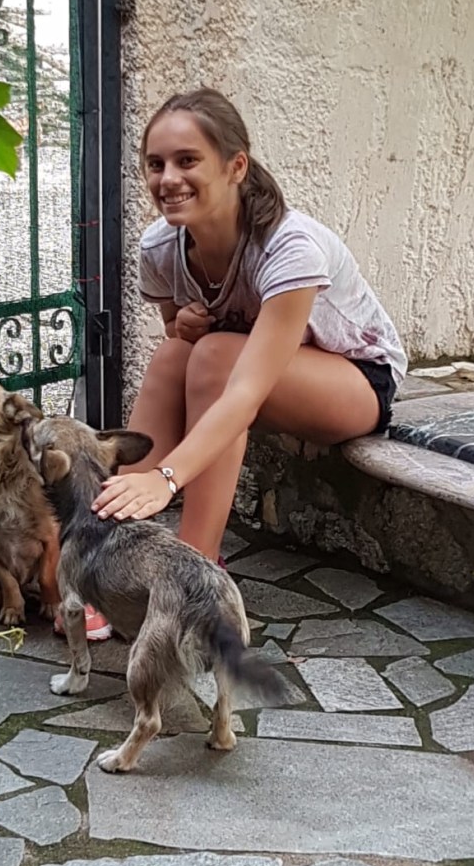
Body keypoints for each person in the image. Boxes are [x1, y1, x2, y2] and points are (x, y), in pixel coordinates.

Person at [90, 87, 407, 570]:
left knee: (217, 356)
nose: (168, 179)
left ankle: (195, 570)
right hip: (256, 373)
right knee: (175, 355)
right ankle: (115, 558)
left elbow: (244, 391)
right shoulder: (160, 246)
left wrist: (167, 478)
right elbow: (177, 333)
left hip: (358, 380)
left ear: (235, 167)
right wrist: (184, 324)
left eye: (187, 160)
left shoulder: (289, 248)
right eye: (156, 164)